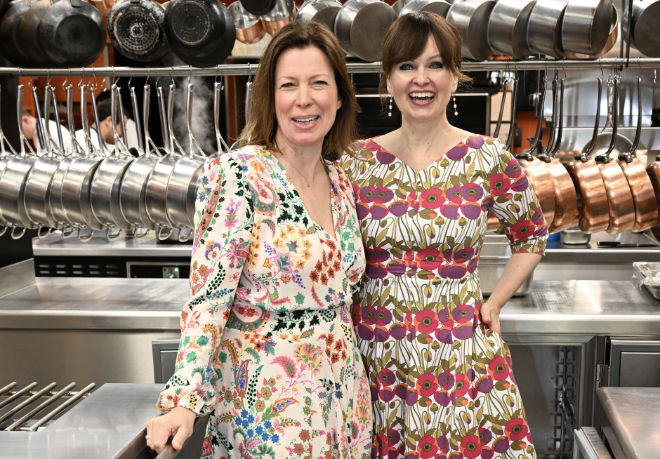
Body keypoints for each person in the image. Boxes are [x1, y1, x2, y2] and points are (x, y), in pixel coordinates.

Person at [146, 22, 373, 458]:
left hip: (346, 406)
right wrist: (182, 401)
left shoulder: (341, 181)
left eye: (318, 83)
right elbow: (208, 300)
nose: (303, 99)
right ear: (270, 97)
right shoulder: (237, 175)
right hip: (270, 416)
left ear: (340, 97)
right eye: (288, 85)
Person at [340, 12, 548, 459]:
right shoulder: (354, 162)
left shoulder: (486, 157)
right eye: (406, 66)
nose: (422, 79)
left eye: (435, 65)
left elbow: (531, 235)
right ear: (387, 78)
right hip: (377, 358)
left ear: (455, 77)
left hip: (459, 358)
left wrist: (493, 302)